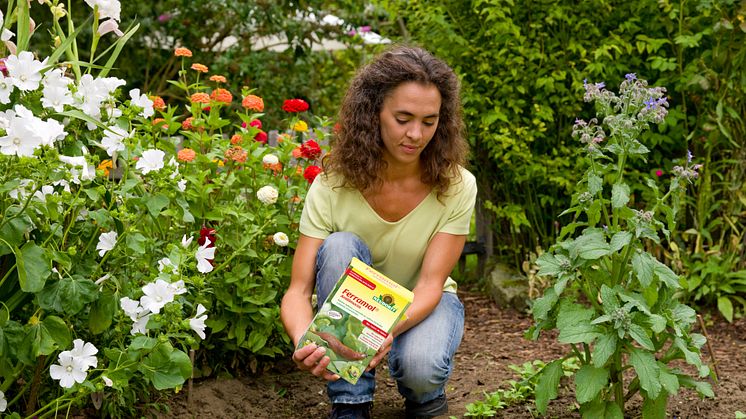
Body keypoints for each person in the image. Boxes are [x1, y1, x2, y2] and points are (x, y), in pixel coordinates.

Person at [280, 45, 477, 419]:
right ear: (374, 113)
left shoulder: (457, 185)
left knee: (421, 367)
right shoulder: (332, 185)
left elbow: (431, 285)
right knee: (340, 245)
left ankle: (425, 401)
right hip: (353, 309)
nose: (416, 134)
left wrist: (385, 330)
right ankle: (350, 405)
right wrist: (305, 340)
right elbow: (299, 290)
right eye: (402, 118)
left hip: (422, 302)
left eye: (429, 121)